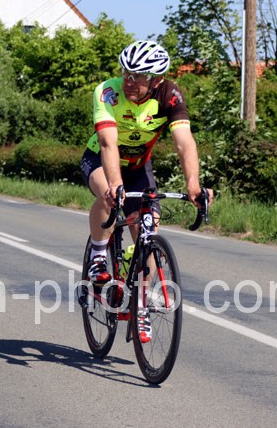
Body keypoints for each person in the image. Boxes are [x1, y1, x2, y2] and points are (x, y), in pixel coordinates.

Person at [80, 40, 210, 343]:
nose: (129, 81)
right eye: (125, 73)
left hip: (138, 167)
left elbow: (184, 142)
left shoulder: (170, 95)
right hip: (100, 159)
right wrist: (115, 184)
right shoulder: (107, 92)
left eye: (138, 76)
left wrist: (193, 185)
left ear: (157, 80)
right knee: (108, 194)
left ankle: (141, 302)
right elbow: (108, 143)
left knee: (149, 226)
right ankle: (98, 255)